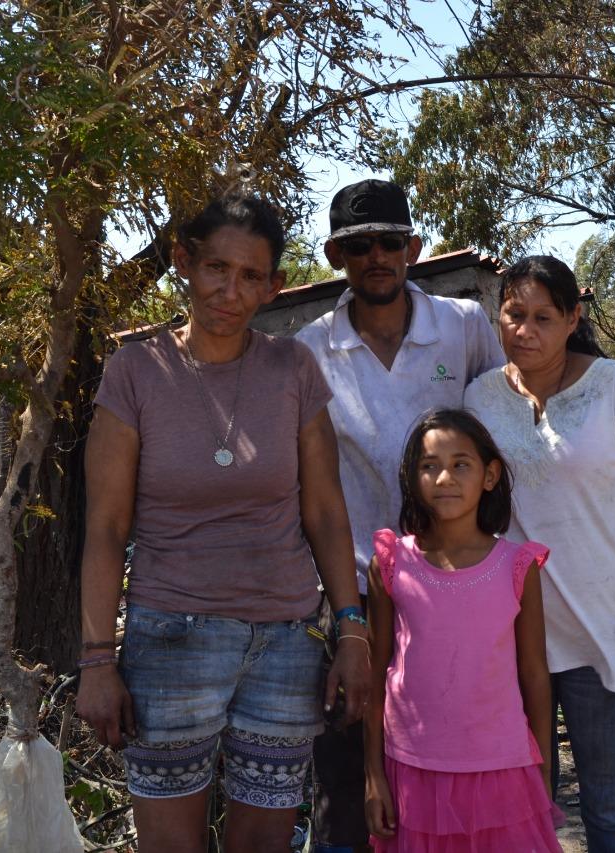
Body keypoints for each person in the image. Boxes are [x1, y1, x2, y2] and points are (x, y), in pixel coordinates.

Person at [75, 192, 370, 853]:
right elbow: (105, 526)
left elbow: (324, 509)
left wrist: (350, 629)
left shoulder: (293, 368)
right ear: (184, 262)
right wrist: (97, 660)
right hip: (171, 638)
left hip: (288, 642)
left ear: (274, 285)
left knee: (264, 845)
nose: (228, 291)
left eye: (249, 276)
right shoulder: (135, 372)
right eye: (215, 267)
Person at [295, 178, 505, 853]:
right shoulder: (310, 349)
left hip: (451, 585)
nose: (376, 256)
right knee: (346, 780)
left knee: (448, 767)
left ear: (413, 247)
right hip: (350, 593)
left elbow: (504, 432)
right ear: (336, 256)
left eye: (390, 241)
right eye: (359, 246)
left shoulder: (464, 326)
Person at [465, 255, 615, 853]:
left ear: (573, 319)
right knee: (522, 801)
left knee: (613, 806)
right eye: (514, 315)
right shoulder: (481, 399)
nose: (526, 330)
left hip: (610, 630)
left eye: (544, 316)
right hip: (516, 636)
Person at [363, 409, 561, 853]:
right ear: (412, 479)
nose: (444, 477)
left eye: (460, 465)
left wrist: (544, 769)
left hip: (502, 766)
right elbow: (376, 672)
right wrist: (374, 775)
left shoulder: (517, 565)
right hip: (412, 764)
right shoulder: (391, 562)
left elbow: (534, 672)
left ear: (490, 476)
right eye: (429, 466)